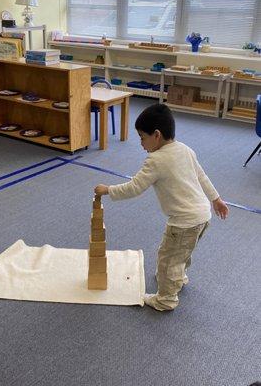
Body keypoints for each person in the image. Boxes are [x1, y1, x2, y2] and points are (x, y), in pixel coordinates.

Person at [94, 103, 229, 312]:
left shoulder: (156, 160)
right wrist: (216, 199)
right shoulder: (185, 149)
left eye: (142, 137)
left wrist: (108, 190)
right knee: (180, 252)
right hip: (202, 216)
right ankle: (177, 277)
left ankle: (166, 299)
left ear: (156, 135)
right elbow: (202, 175)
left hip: (184, 221)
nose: (140, 143)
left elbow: (134, 187)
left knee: (168, 259)